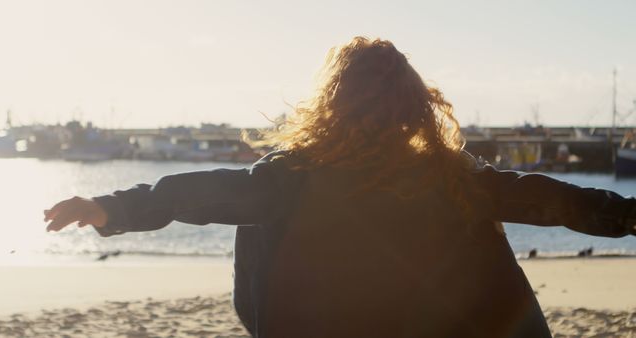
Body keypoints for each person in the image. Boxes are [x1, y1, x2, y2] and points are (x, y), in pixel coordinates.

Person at [44, 37, 636, 338]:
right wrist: (628, 215)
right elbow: (548, 199)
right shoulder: (450, 177)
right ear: (415, 109)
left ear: (331, 106)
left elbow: (206, 193)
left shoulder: (291, 176)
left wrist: (109, 207)